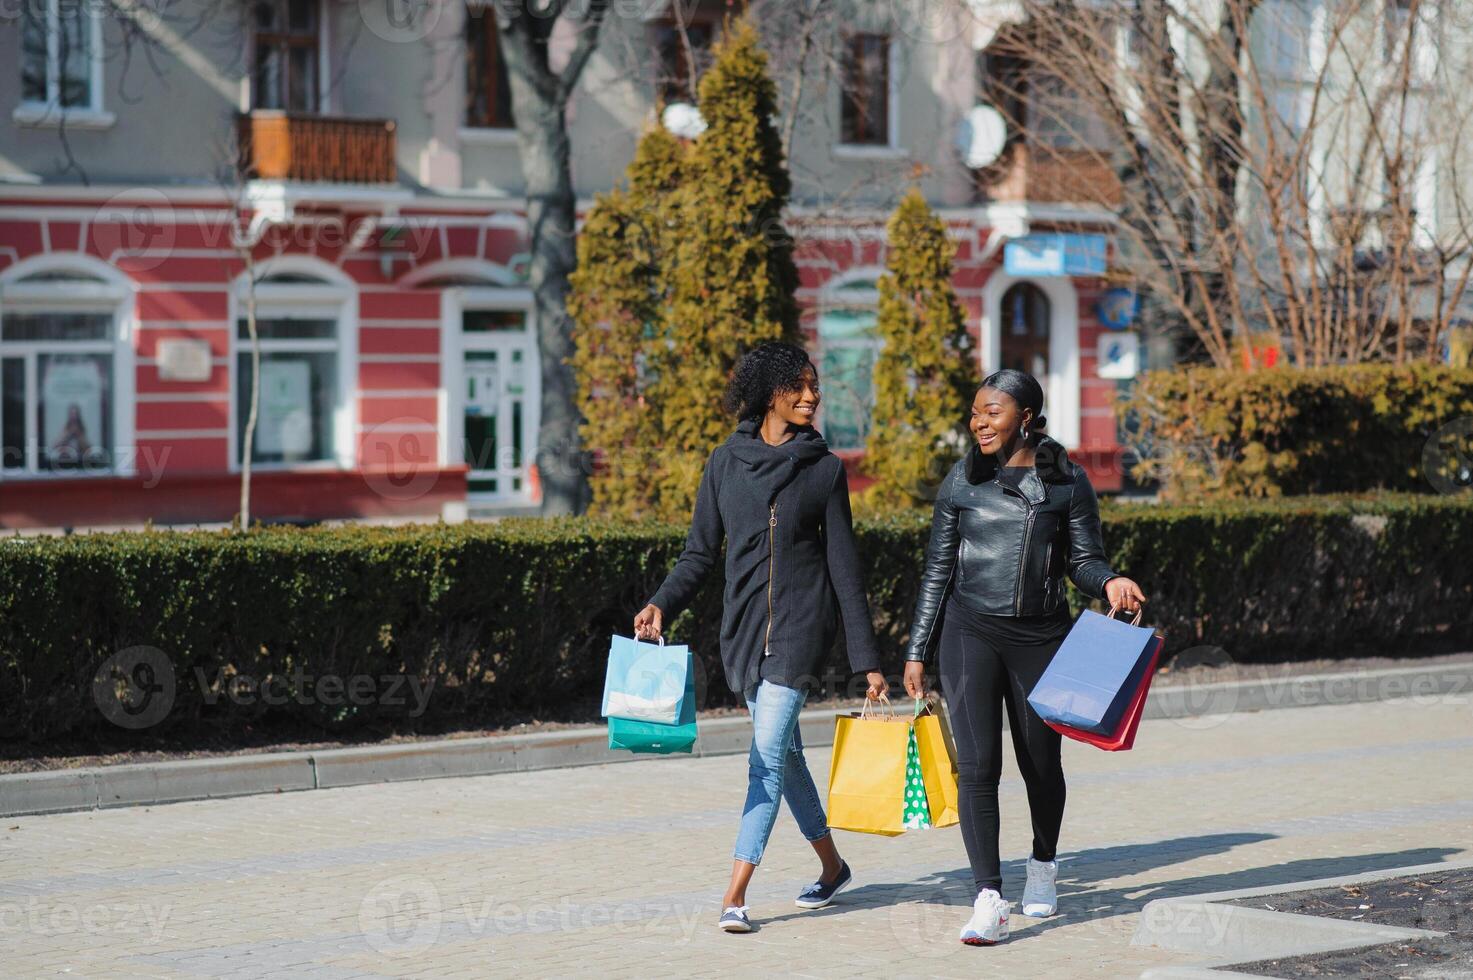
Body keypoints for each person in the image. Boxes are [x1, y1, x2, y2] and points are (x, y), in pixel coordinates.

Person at [633, 341, 886, 935]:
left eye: (814, 386)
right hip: (743, 633)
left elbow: (845, 568)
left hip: (799, 634)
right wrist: (659, 602)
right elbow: (699, 554)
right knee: (788, 756)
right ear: (768, 392)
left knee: (765, 759)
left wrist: (867, 660)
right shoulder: (725, 463)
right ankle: (832, 867)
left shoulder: (824, 470)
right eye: (797, 386)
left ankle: (736, 893)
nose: (810, 397)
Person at [901, 369, 1147, 946]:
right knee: (979, 768)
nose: (979, 422)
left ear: (1027, 418)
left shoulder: (1066, 482)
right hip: (969, 633)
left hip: (1040, 638)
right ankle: (988, 895)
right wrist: (916, 650)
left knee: (1040, 764)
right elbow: (938, 569)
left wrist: (1108, 581)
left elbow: (1082, 560)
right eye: (975, 411)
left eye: (993, 412)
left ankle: (1042, 864)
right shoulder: (961, 480)